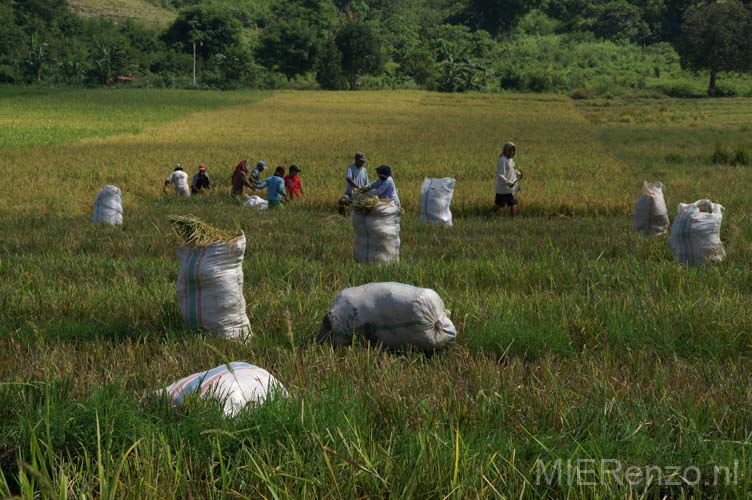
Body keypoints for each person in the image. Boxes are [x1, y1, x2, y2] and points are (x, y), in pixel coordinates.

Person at [492, 142, 522, 217]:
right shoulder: (503, 160)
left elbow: (512, 170)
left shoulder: (511, 160)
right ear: (505, 151)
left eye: (513, 151)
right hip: (503, 188)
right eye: (510, 150)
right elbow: (500, 175)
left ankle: (512, 219)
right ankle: (488, 216)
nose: (512, 152)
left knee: (513, 203)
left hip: (510, 189)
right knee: (500, 205)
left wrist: (518, 173)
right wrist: (508, 183)